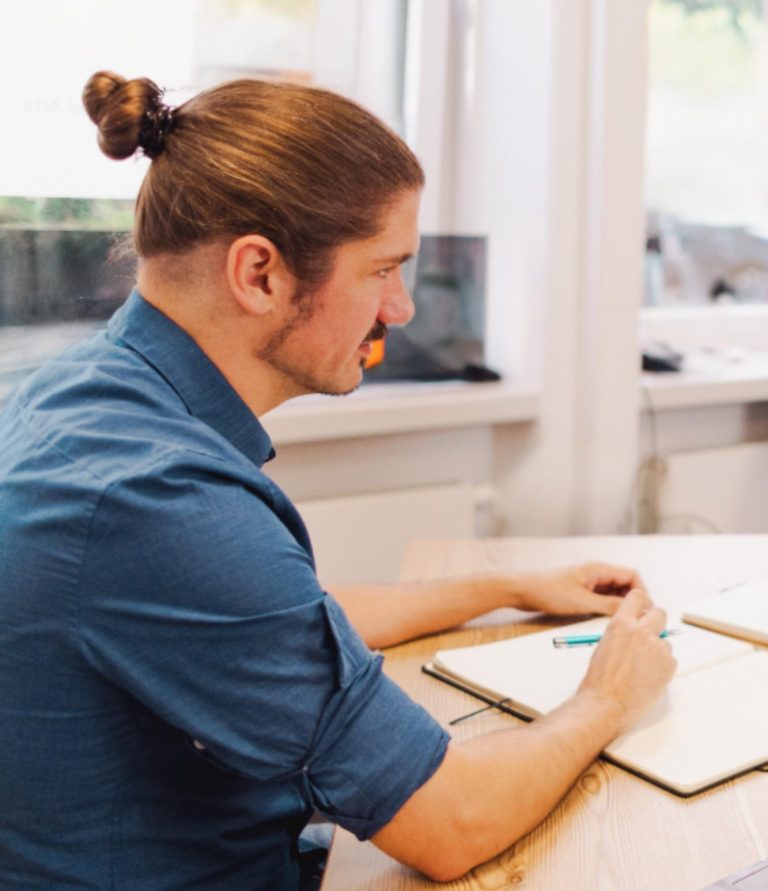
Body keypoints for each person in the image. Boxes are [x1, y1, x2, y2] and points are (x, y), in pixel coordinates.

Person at [0, 71, 676, 890]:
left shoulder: (81, 396)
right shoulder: (161, 500)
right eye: (383, 269)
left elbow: (273, 621)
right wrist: (608, 695)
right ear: (259, 273)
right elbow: (453, 820)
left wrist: (507, 586)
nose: (401, 308)